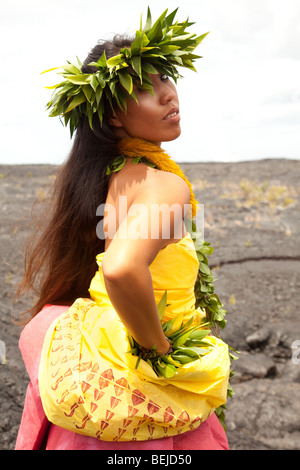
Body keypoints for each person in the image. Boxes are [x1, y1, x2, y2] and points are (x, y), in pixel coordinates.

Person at [15, 8, 230, 450]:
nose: (169, 95)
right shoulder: (164, 184)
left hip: (105, 338)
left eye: (166, 79)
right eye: (148, 90)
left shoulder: (120, 173)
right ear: (114, 118)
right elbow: (119, 268)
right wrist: (159, 352)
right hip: (134, 356)